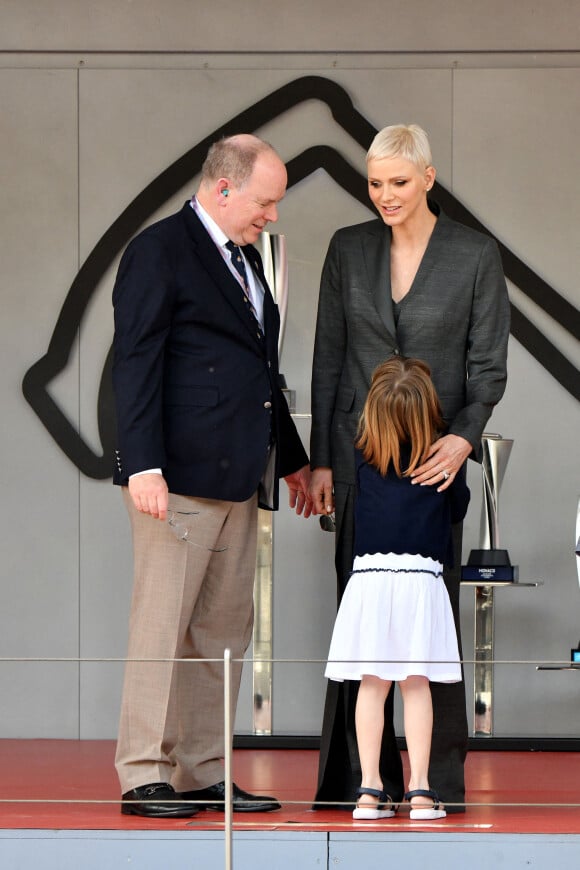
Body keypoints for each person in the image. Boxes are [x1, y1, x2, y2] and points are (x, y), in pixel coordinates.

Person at [310, 123, 510, 812]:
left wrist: (463, 441)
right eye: (374, 183)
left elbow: (488, 369)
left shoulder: (474, 253)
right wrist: (322, 465)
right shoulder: (347, 248)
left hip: (435, 467)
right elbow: (328, 358)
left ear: (427, 177)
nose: (385, 196)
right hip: (361, 462)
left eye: (398, 182)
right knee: (359, 627)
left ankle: (434, 782)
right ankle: (358, 781)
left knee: (433, 628)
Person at [112, 134, 311, 818]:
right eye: (265, 202)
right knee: (161, 626)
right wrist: (140, 464)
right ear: (223, 188)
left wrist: (295, 461)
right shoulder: (159, 250)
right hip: (176, 480)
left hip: (240, 480)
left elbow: (261, 374)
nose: (272, 216)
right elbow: (133, 364)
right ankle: (144, 772)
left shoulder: (248, 262)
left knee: (222, 633)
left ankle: (202, 770)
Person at [325, 357, 470, 821]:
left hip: (369, 582)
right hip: (420, 584)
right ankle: (421, 791)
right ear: (429, 408)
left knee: (372, 685)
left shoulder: (364, 457)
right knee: (416, 685)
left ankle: (369, 791)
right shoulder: (444, 461)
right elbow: (458, 509)